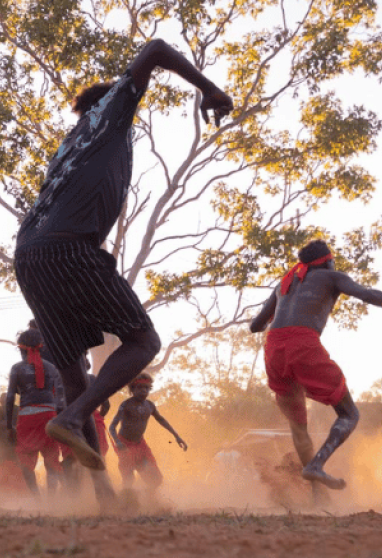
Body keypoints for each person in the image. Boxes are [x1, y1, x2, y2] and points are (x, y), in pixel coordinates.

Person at [13, 40, 233, 485]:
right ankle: (73, 418)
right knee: (143, 340)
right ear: (109, 100)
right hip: (69, 248)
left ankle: (104, 495)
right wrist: (208, 89)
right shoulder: (108, 115)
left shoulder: (70, 143)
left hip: (30, 255)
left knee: (74, 371)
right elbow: (153, 50)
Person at [249, 239, 382, 489]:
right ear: (327, 261)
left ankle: (317, 493)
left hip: (273, 349)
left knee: (298, 425)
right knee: (349, 413)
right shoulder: (332, 276)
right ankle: (316, 465)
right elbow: (367, 294)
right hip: (302, 344)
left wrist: (285, 311)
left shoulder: (283, 284)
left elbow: (255, 326)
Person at [5, 329, 66, 496]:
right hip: (49, 415)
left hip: (27, 418)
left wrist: (9, 426)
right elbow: (60, 399)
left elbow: (10, 397)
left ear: (21, 349)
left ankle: (37, 498)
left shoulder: (17, 369)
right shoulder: (52, 368)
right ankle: (51, 499)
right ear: (41, 348)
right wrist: (60, 421)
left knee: (25, 459)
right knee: (51, 458)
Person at [109, 374, 187, 498]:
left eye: (146, 388)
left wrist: (177, 436)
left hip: (140, 444)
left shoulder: (150, 405)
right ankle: (124, 503)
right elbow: (112, 427)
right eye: (140, 388)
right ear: (132, 390)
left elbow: (161, 420)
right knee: (128, 479)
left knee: (156, 479)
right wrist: (118, 442)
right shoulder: (126, 405)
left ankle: (148, 498)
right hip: (125, 444)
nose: (143, 391)